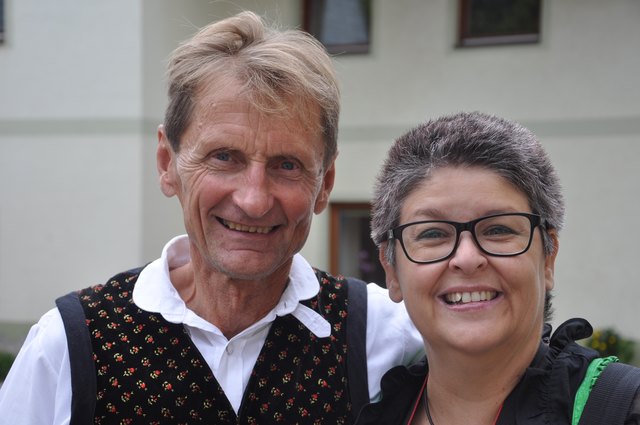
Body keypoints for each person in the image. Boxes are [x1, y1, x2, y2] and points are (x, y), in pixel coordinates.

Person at [0, 11, 422, 424]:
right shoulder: (69, 346)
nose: (254, 200)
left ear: (324, 183)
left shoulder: (387, 337)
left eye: (287, 165)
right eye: (224, 157)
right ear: (167, 162)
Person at [355, 111, 640, 424]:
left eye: (498, 229)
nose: (467, 258)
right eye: (433, 233)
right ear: (392, 271)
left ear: (548, 258)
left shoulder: (622, 410)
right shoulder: (373, 413)